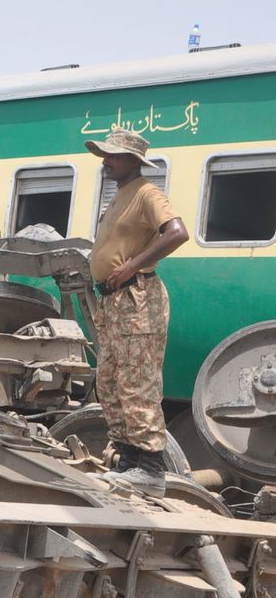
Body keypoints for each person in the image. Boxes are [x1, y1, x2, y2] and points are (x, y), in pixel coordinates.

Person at [86, 130, 189, 497]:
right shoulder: (120, 195)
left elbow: (177, 233)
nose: (105, 161)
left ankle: (150, 468)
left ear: (133, 161)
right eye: (105, 154)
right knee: (111, 381)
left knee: (137, 381)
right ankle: (129, 462)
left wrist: (132, 266)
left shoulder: (146, 192)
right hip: (113, 302)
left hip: (136, 299)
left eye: (112, 156)